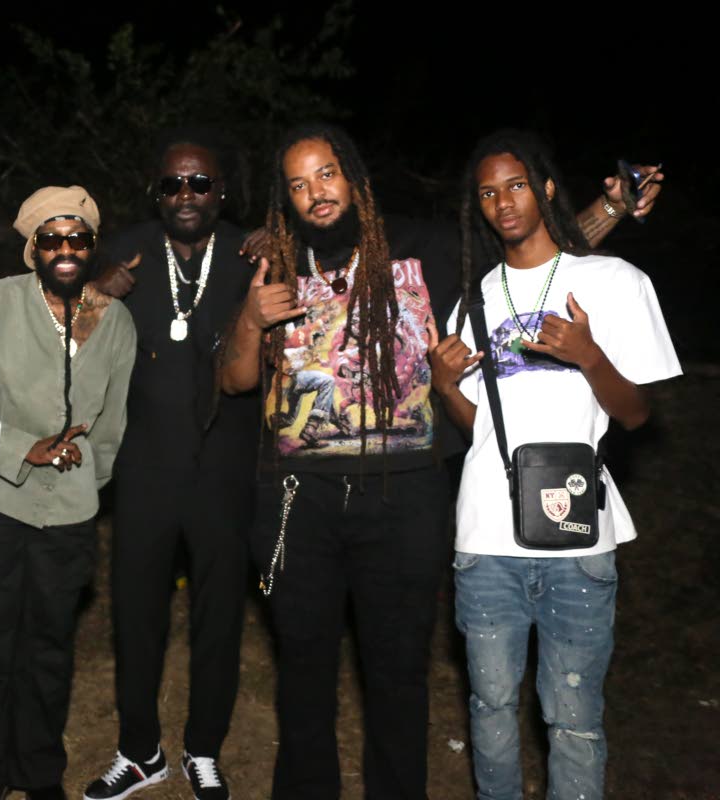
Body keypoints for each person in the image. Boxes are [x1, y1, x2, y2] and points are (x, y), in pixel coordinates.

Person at [219, 122, 663, 800]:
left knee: (398, 675)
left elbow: (529, 252)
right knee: (303, 675)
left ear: (354, 179)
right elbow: (235, 382)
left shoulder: (420, 247)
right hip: (296, 503)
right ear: (285, 196)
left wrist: (613, 207)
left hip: (403, 501)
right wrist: (251, 319)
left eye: (327, 174)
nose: (316, 192)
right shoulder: (271, 265)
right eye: (299, 183)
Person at [428, 129, 680, 800]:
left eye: (516, 185)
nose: (503, 202)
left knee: (573, 720)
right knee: (490, 709)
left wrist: (589, 355)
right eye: (488, 193)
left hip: (578, 541)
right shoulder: (475, 299)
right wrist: (446, 387)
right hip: (486, 537)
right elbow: (483, 430)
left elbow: (636, 415)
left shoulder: (614, 282)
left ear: (544, 188)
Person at [0, 185, 137, 800]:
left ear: (92, 246)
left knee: (50, 648)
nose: (65, 250)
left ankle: (40, 775)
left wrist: (84, 483)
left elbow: (111, 426)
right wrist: (18, 450)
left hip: (69, 513)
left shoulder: (115, 320)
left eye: (77, 238)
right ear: (34, 247)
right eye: (52, 239)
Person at [85, 128, 255, 800]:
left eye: (200, 183)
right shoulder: (123, 251)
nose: (186, 194)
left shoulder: (249, 255)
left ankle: (203, 748)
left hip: (224, 468)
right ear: (156, 193)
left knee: (219, 617)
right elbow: (70, 334)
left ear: (221, 192)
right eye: (173, 183)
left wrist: (282, 247)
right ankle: (139, 752)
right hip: (145, 468)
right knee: (136, 614)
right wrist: (97, 292)